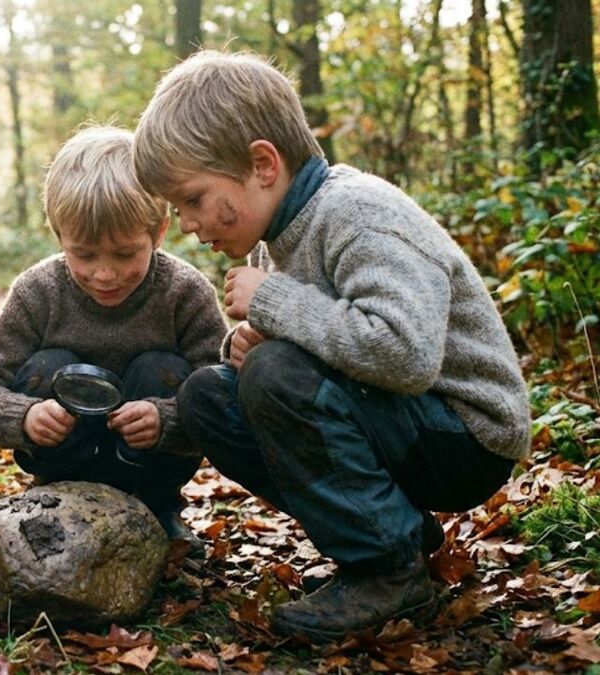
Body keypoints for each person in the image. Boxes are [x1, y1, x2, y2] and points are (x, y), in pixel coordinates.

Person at [131, 50, 530, 642]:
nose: (188, 223)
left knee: (273, 372)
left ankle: (386, 570)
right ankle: (396, 533)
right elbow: (313, 344)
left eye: (193, 198)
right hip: (401, 422)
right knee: (210, 396)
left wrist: (275, 310)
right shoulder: (278, 234)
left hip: (465, 434)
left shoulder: (358, 213)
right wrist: (246, 344)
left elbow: (407, 353)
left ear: (262, 164)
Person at [0, 126, 227, 548]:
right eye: (83, 254)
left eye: (124, 253)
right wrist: (26, 417)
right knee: (50, 364)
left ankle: (159, 508)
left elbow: (224, 396)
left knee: (166, 371)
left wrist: (166, 420)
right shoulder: (38, 292)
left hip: (152, 467)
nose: (105, 273)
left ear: (157, 231)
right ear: (59, 233)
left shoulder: (184, 293)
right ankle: (54, 491)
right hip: (61, 462)